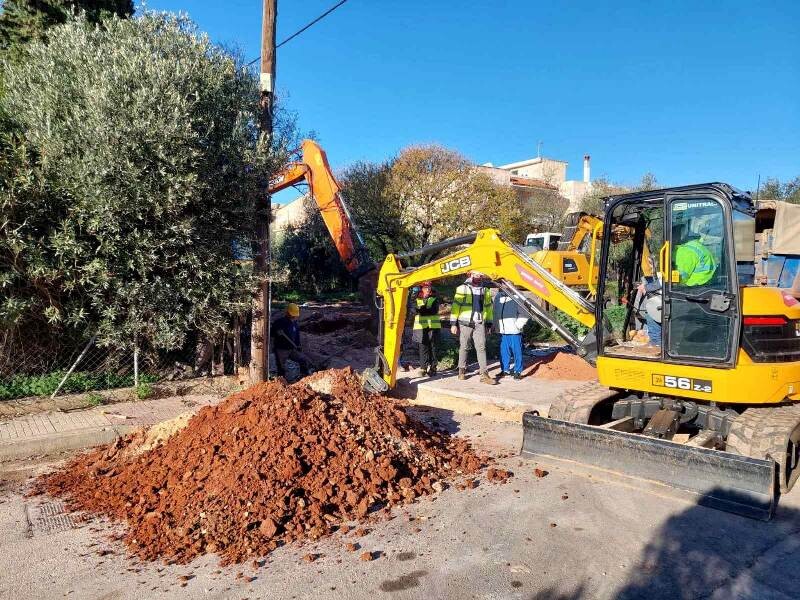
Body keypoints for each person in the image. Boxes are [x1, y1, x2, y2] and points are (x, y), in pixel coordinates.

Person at [450, 271, 496, 385]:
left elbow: (488, 308)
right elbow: (455, 306)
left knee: (481, 347)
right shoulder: (462, 288)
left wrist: (489, 323)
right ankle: (461, 370)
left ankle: (484, 375)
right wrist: (453, 323)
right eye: (476, 275)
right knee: (464, 346)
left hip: (479, 322)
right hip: (465, 322)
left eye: (480, 275)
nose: (479, 277)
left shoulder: (485, 290)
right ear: (470, 275)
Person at [271, 303, 313, 379]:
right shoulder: (279, 323)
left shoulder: (295, 323)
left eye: (294, 315)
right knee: (281, 367)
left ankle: (305, 377)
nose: (293, 316)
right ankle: (281, 383)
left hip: (292, 348)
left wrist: (298, 345)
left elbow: (296, 336)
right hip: (281, 349)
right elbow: (271, 334)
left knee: (302, 360)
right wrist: (277, 332)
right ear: (287, 312)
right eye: (292, 315)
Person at [493, 291, 529, 380]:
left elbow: (524, 312)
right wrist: (495, 325)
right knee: (504, 352)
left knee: (517, 352)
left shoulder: (518, 295)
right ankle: (505, 370)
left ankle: (518, 371)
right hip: (503, 331)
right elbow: (495, 312)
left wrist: (518, 325)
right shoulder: (498, 296)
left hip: (514, 331)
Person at [412, 281, 441, 377]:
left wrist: (421, 310)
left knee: (433, 347)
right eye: (425, 287)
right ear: (421, 288)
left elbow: (433, 310)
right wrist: (422, 310)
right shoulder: (416, 298)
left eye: (429, 287)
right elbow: (414, 309)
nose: (428, 289)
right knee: (423, 347)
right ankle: (423, 368)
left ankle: (433, 368)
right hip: (420, 327)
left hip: (433, 326)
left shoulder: (434, 298)